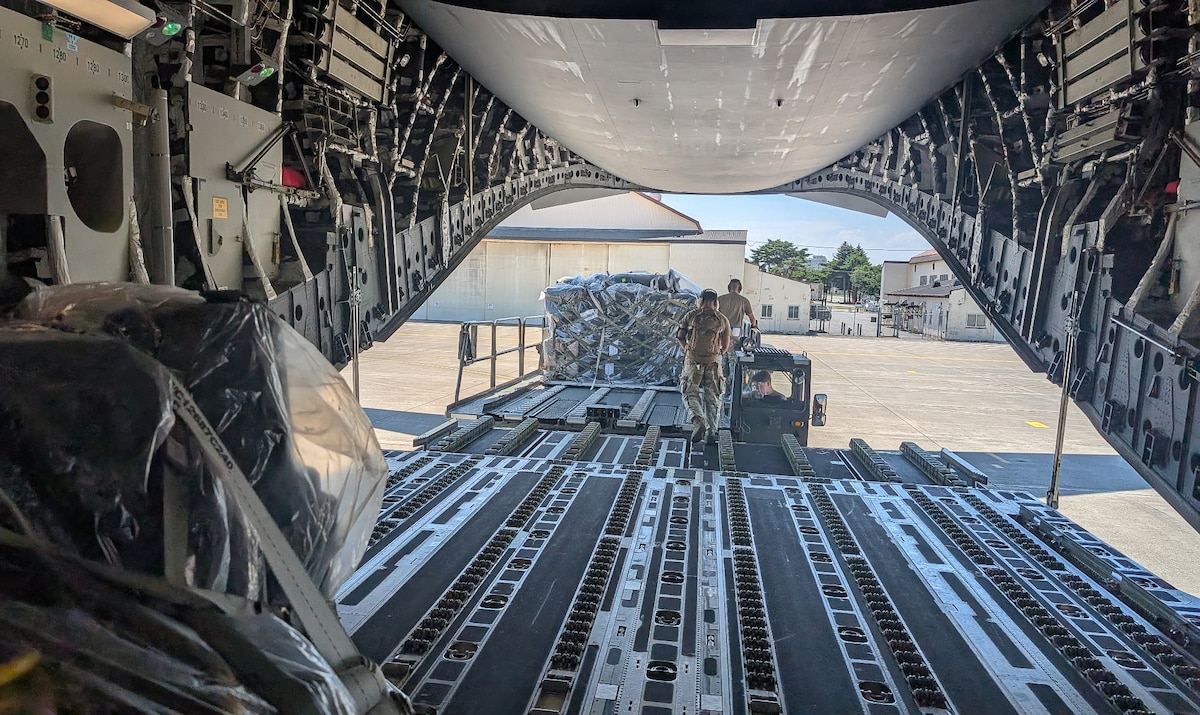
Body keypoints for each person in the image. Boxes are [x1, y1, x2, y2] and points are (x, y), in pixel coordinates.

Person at [676, 289, 731, 443]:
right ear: (716, 303)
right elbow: (725, 346)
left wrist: (687, 349)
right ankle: (711, 433)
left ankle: (698, 420)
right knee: (713, 397)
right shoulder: (722, 319)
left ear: (700, 301)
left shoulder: (691, 316)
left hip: (693, 361)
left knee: (690, 392)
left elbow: (680, 336)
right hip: (713, 363)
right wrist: (716, 353)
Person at [717, 279, 757, 389]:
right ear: (740, 288)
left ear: (729, 287)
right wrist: (754, 328)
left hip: (721, 331)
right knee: (733, 360)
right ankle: (733, 386)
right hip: (735, 332)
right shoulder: (744, 301)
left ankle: (723, 385)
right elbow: (752, 319)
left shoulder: (720, 299)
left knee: (722, 358)